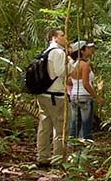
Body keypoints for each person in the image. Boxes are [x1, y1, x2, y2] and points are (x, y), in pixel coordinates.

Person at [36, 29, 73, 167]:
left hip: (44, 94)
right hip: (55, 96)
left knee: (44, 127)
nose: (64, 38)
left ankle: (42, 157)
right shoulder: (58, 52)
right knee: (60, 128)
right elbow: (61, 72)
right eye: (62, 36)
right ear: (54, 38)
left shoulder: (46, 52)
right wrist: (70, 61)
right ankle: (58, 159)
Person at [67, 40, 104, 141]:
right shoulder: (84, 65)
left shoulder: (73, 64)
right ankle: (85, 147)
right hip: (84, 97)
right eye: (88, 48)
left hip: (74, 96)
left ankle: (72, 146)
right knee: (86, 124)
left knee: (75, 124)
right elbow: (86, 84)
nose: (90, 49)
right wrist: (97, 97)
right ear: (82, 51)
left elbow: (68, 81)